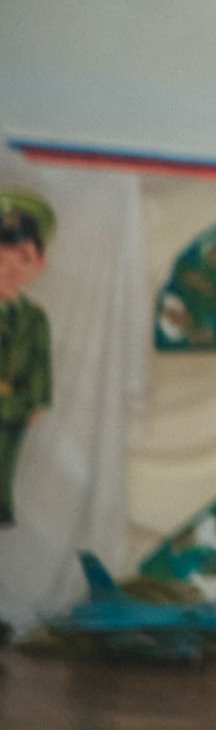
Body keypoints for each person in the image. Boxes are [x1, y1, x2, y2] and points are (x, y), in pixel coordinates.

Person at [0, 189, 54, 528]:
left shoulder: (34, 318)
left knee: (6, 458)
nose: (10, 270)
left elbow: (39, 363)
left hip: (13, 407)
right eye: (0, 258)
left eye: (22, 258)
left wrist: (35, 401)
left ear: (39, 264)